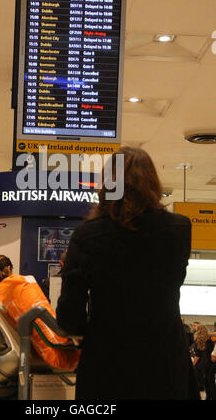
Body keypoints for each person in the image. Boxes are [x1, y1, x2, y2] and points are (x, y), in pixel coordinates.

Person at [56, 147, 199, 400]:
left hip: (108, 364)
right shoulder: (179, 229)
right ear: (153, 183)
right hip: (166, 361)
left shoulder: (87, 236)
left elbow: (69, 317)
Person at [192, 324, 215, 400]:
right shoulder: (210, 339)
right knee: (210, 382)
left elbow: (197, 356)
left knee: (205, 382)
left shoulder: (198, 340)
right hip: (210, 363)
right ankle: (212, 396)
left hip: (201, 364)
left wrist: (193, 364)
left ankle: (208, 397)